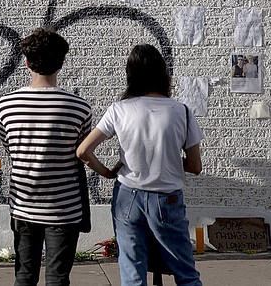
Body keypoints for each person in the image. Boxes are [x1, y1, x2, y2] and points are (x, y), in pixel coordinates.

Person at [77, 44, 204, 286]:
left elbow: (83, 150)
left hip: (128, 196)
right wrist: (168, 160)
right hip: (167, 199)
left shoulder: (119, 109)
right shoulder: (182, 112)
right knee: (185, 272)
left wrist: (107, 171)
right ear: (163, 73)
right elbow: (195, 166)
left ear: (131, 75)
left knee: (133, 272)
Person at [0, 27, 92, 286]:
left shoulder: (6, 105)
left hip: (23, 203)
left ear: (26, 63)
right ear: (61, 64)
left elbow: (10, 148)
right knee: (58, 278)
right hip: (64, 207)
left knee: (24, 276)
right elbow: (81, 152)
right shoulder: (79, 107)